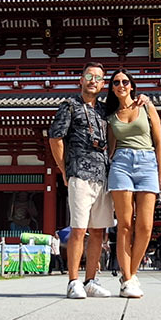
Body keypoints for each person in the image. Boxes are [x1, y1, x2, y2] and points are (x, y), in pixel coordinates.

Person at [49, 63, 114, 299]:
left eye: (98, 78)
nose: (93, 81)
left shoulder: (105, 110)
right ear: (81, 79)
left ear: (103, 84)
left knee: (98, 231)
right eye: (89, 76)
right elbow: (56, 138)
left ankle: (91, 281)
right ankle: (73, 281)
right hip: (79, 172)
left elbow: (113, 136)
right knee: (79, 229)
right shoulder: (69, 106)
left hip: (102, 175)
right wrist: (64, 169)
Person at [104, 68, 161, 298]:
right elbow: (110, 148)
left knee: (145, 225)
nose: (121, 85)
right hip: (121, 164)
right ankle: (129, 278)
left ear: (132, 85)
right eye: (116, 82)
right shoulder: (111, 116)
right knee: (124, 225)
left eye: (125, 81)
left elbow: (159, 142)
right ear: (112, 88)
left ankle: (130, 274)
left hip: (147, 163)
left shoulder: (146, 107)